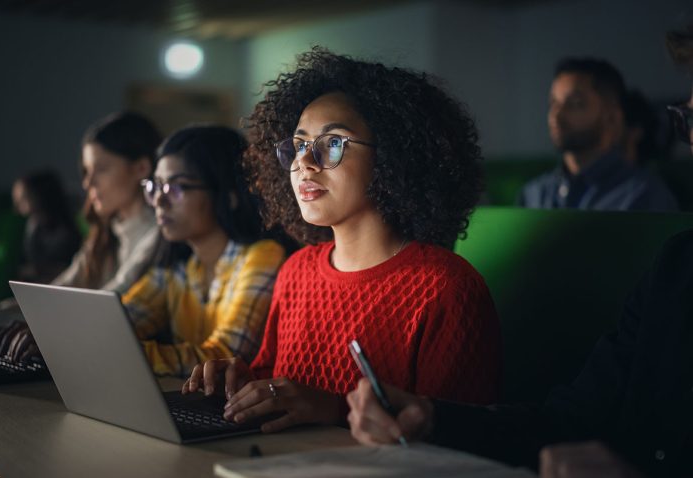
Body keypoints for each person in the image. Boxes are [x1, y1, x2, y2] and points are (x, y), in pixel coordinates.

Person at [347, 26, 693, 478]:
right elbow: (567, 419)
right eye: (689, 120)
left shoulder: (646, 199)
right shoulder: (677, 265)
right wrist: (431, 417)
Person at [183, 48, 502, 434]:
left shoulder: (447, 289)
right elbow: (273, 381)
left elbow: (461, 437)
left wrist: (335, 409)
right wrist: (237, 383)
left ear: (393, 159)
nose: (305, 162)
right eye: (299, 145)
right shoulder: (295, 272)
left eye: (333, 143)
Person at [0, 111, 162, 355]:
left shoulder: (157, 235)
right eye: (86, 171)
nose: (87, 183)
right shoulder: (103, 236)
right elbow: (55, 296)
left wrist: (44, 333)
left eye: (101, 169)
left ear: (141, 168)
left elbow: (109, 307)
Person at [121, 126, 286, 377]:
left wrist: (123, 352)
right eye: (156, 187)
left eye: (177, 188)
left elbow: (225, 354)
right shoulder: (177, 268)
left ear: (229, 195)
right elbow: (120, 323)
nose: (159, 202)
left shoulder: (261, 256)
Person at [519, 57, 678, 211]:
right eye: (553, 103)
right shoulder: (533, 195)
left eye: (575, 104)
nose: (556, 115)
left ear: (611, 117)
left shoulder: (644, 196)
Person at [11, 170, 81, 284]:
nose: (17, 206)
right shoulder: (32, 227)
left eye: (23, 198)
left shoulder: (66, 232)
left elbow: (70, 270)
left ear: (40, 196)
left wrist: (39, 270)